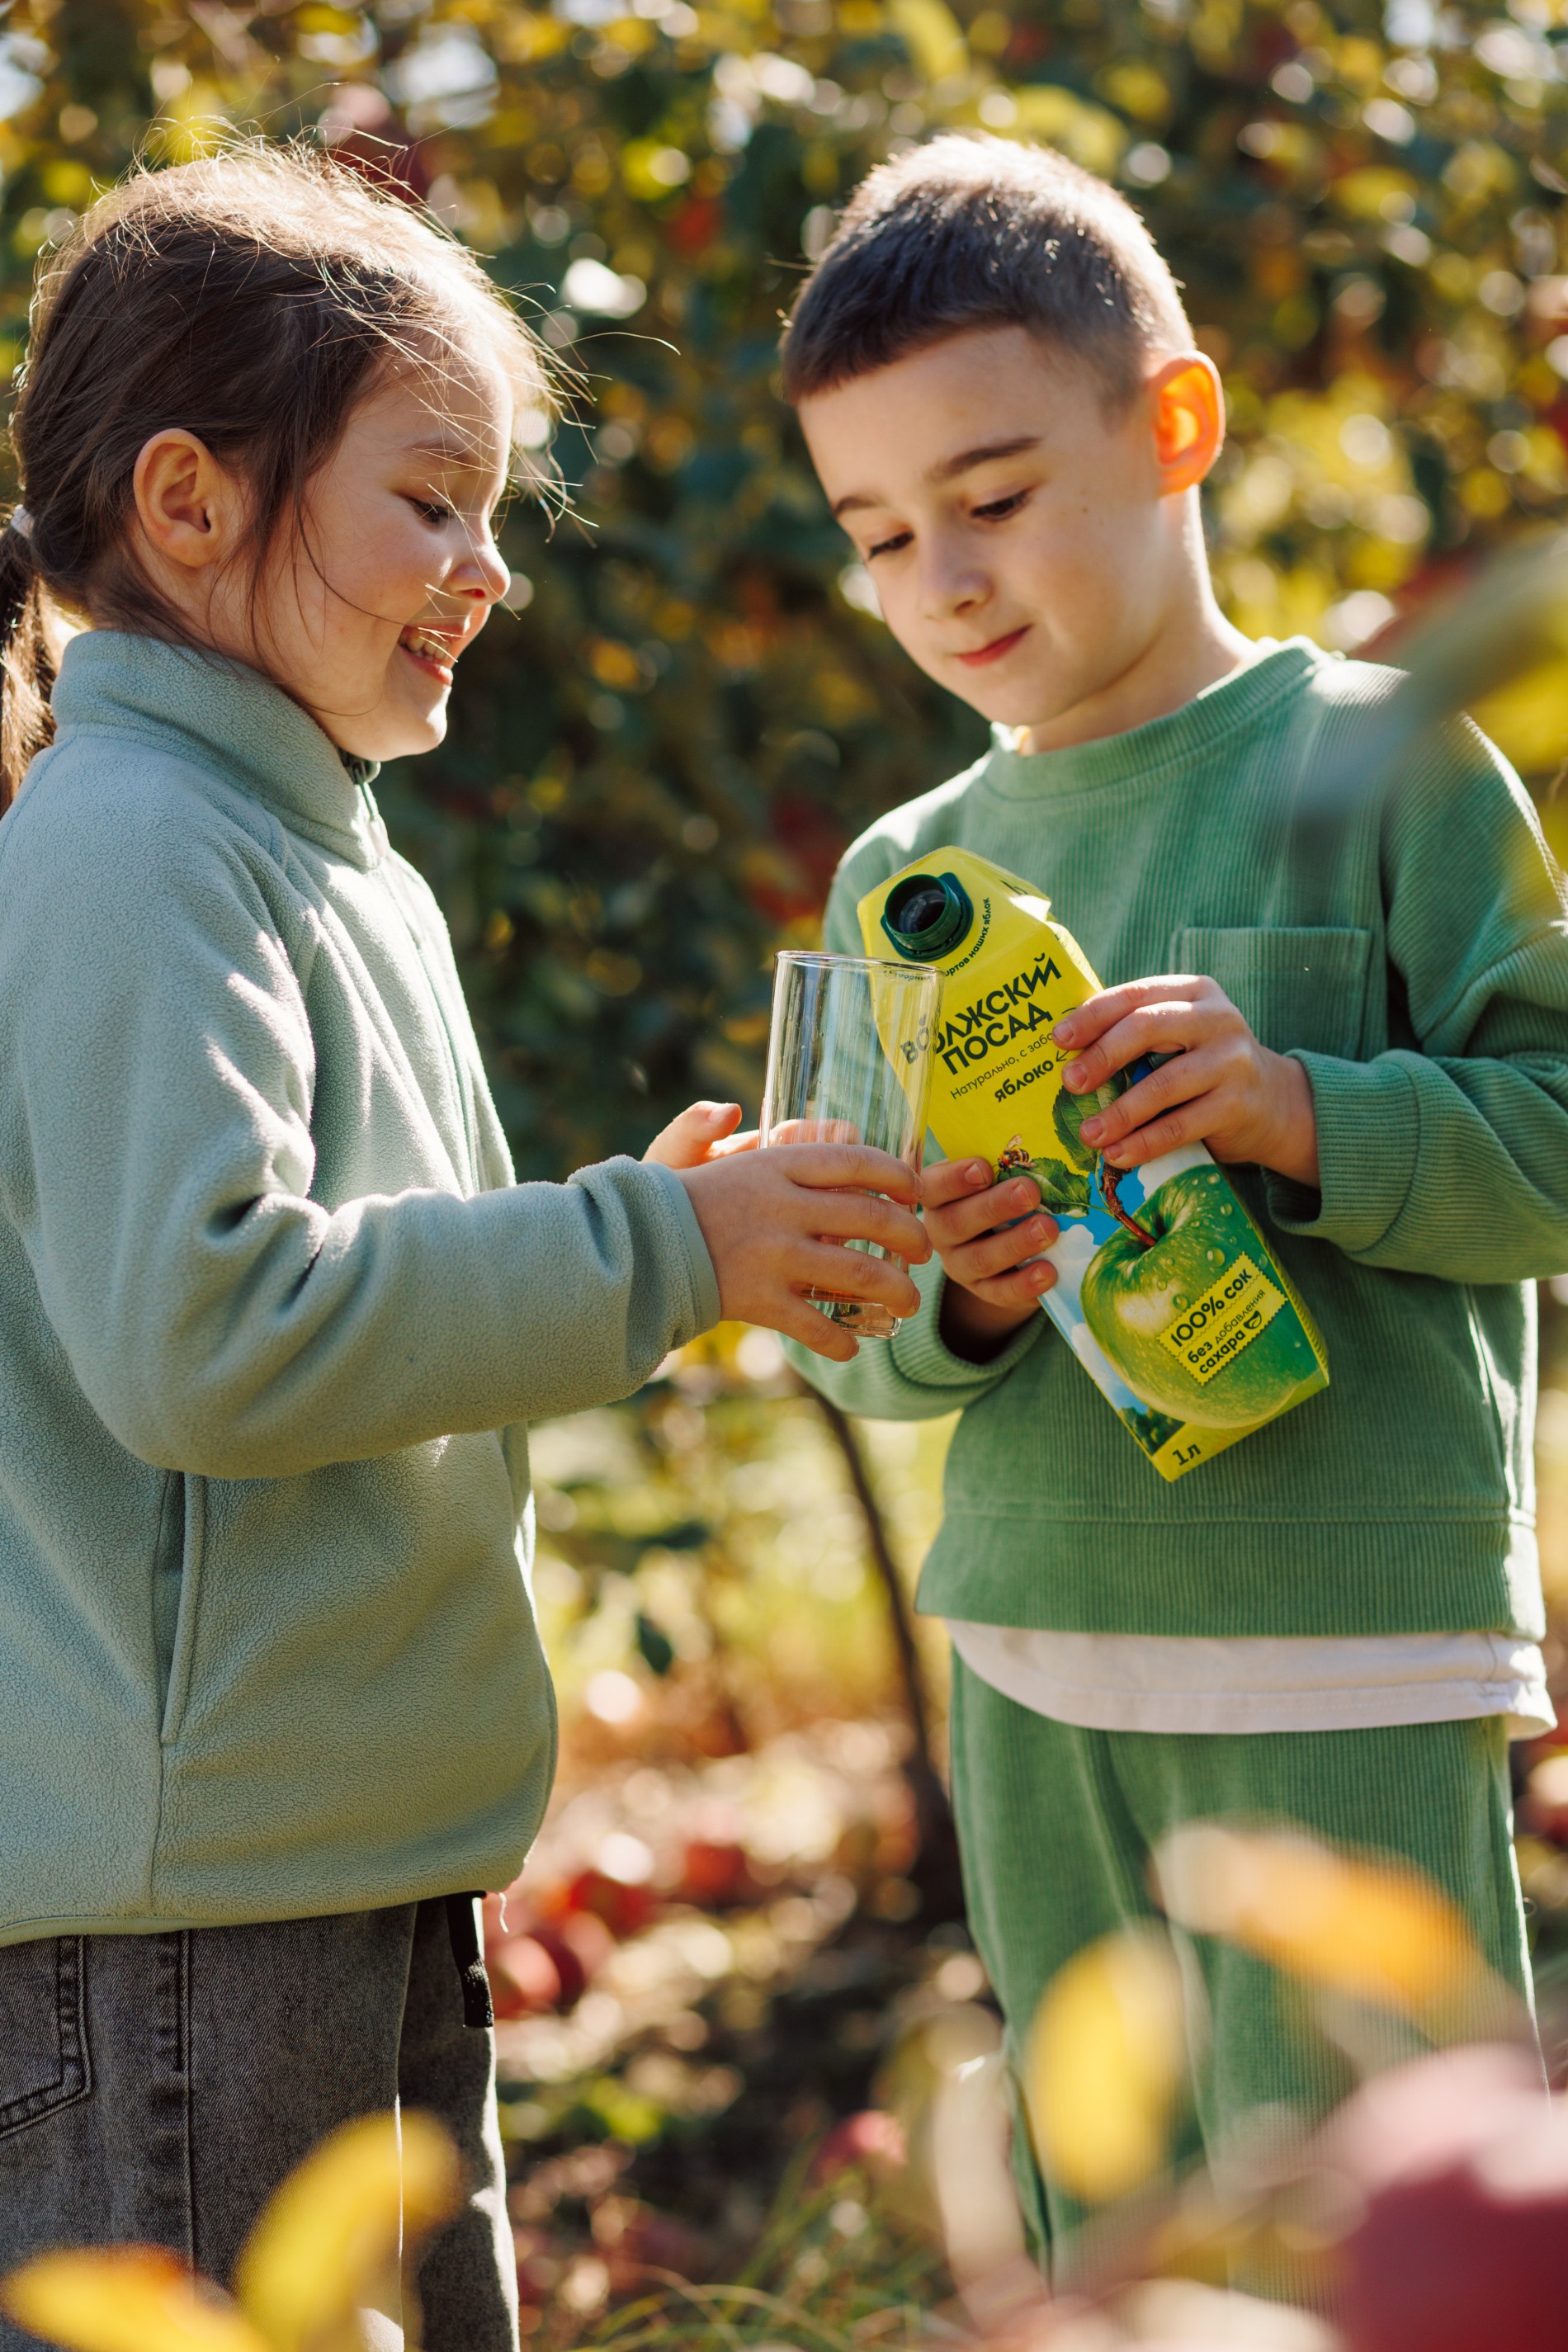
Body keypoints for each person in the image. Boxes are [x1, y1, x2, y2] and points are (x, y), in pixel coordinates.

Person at [0, 147, 928, 2350]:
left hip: (325, 1864)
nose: (486, 569)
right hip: (192, 1921)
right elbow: (209, 1333)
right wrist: (651, 1247)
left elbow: (367, 1273)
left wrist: (677, 1230)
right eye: (429, 500)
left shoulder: (312, 844)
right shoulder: (139, 845)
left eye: (493, 511)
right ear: (192, 502)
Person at [780, 133, 1568, 2268]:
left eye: (993, 496)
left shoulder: (1378, 761)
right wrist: (950, 1296)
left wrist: (1302, 1111)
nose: (942, 578)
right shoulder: (902, 879)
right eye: (880, 535)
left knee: (1372, 2235)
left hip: (1347, 1651)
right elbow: (851, 1331)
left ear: (1175, 426)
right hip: (1035, 1659)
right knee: (1108, 2252)